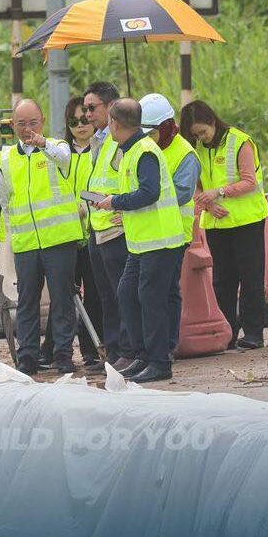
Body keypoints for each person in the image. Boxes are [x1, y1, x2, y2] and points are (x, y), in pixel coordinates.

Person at [94, 98, 187, 383]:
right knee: (127, 294)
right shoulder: (130, 150)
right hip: (141, 242)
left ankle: (159, 362)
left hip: (159, 241)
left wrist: (116, 202)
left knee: (151, 300)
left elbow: (150, 192)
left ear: (115, 123)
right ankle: (141, 356)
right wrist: (121, 206)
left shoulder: (144, 151)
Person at [0, 99, 83, 375]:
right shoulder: (7, 158)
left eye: (33, 122)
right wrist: (10, 235)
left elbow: (66, 161)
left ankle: (63, 354)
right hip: (26, 243)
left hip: (59, 239)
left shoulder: (57, 147)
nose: (27, 129)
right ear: (13, 125)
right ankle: (28, 357)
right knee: (26, 302)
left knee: (62, 298)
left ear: (42, 121)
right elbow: (5, 200)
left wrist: (43, 143)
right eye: (20, 124)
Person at [181, 99, 268, 352]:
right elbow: (196, 188)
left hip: (247, 220)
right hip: (217, 223)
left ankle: (254, 333)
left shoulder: (240, 141)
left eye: (203, 131)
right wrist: (208, 205)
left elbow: (249, 181)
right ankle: (228, 332)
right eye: (195, 135)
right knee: (223, 281)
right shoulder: (195, 150)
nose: (201, 138)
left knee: (251, 278)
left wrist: (219, 193)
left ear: (212, 121)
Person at [40, 96, 104, 373]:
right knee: (62, 296)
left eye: (84, 119)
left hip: (94, 231)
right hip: (66, 233)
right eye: (73, 121)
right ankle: (54, 350)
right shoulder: (60, 154)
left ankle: (93, 349)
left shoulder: (102, 150)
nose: (80, 126)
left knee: (96, 295)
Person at [81, 81, 133, 368]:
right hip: (97, 226)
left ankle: (127, 350)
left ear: (110, 106)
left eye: (92, 108)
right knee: (104, 296)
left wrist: (124, 210)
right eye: (85, 109)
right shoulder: (97, 141)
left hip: (117, 227)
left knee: (121, 293)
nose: (87, 115)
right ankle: (113, 353)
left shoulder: (122, 140)